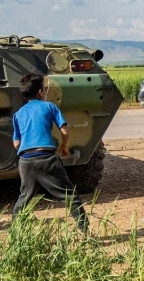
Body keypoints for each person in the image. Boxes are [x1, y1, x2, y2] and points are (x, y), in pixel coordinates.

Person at [12, 73, 89, 231]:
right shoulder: (49, 106)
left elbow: (16, 143)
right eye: (45, 89)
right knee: (69, 196)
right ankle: (85, 232)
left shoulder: (18, 114)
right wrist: (64, 146)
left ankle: (15, 232)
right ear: (40, 92)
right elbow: (65, 131)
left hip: (25, 161)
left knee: (24, 198)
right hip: (46, 158)